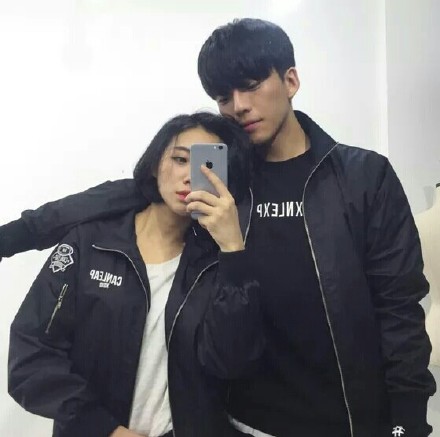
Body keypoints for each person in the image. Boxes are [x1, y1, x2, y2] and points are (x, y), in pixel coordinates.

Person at [1, 18, 436, 437]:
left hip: (349, 419)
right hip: (237, 420)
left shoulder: (362, 177)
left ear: (290, 81)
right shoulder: (221, 177)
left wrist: (408, 420)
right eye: (223, 96)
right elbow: (122, 194)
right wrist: (14, 236)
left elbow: (399, 306)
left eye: (251, 85)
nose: (238, 106)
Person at [6, 112, 260, 437]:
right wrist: (105, 429)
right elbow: (31, 356)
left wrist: (233, 251)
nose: (189, 176)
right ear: (155, 165)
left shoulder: (217, 263)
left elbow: (232, 363)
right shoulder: (91, 244)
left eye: (207, 166)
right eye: (180, 159)